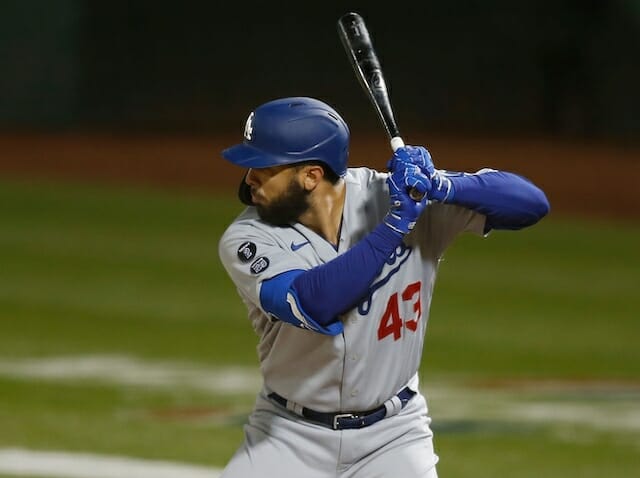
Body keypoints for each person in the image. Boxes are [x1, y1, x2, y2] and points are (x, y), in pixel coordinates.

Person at [217, 97, 549, 478]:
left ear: (311, 176)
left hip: (393, 436)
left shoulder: (394, 195)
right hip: (287, 435)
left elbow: (531, 204)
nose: (248, 179)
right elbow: (314, 302)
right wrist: (394, 227)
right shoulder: (247, 237)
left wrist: (442, 185)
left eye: (262, 168)